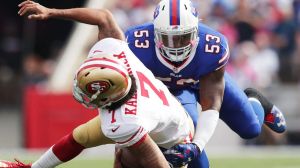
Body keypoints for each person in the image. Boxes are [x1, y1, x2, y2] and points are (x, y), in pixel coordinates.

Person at [10, 0, 287, 167]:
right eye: (167, 38)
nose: (174, 46)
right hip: (173, 98)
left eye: (181, 38)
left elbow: (211, 102)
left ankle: (256, 102)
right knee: (188, 146)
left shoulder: (210, 46)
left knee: (250, 128)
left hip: (205, 83)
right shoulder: (135, 45)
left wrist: (52, 11)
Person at [0, 1, 200, 168]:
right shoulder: (113, 49)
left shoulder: (124, 123)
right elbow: (103, 16)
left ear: (105, 99)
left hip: (174, 137)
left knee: (124, 158)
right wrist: (51, 12)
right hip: (153, 110)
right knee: (80, 136)